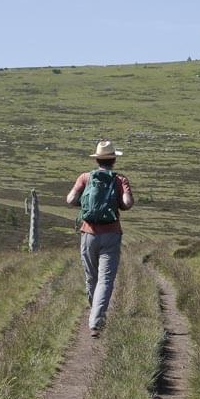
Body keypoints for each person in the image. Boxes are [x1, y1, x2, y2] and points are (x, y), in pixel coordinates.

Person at [66, 140, 134, 337]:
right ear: (113, 160)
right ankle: (96, 321)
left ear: (97, 159)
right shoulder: (120, 179)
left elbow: (70, 199)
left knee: (91, 277)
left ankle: (94, 310)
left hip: (88, 233)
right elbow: (127, 204)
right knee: (105, 279)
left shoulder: (85, 177)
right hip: (111, 233)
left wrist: (85, 204)